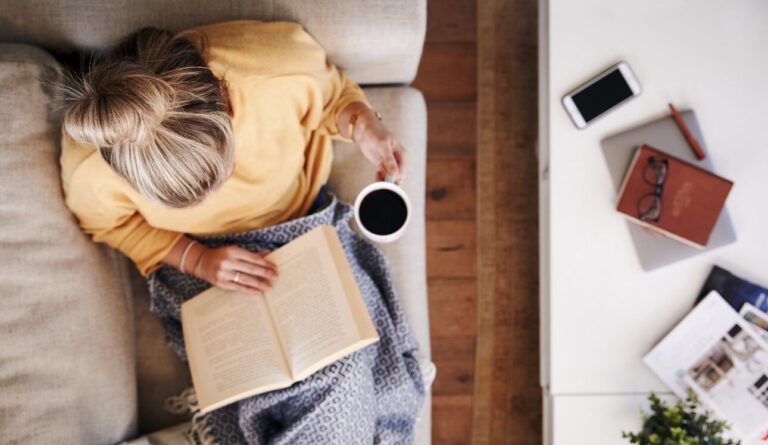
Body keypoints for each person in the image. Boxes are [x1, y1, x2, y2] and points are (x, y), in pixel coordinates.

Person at [56, 20, 408, 293]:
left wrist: (363, 124)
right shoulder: (91, 162)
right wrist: (197, 260)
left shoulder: (276, 68)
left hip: (300, 218)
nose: (215, 198)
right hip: (197, 254)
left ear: (223, 97)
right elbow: (108, 225)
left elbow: (331, 98)